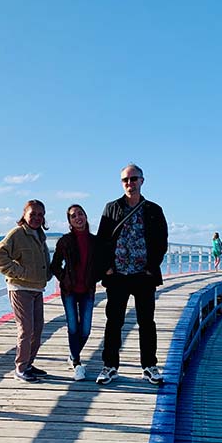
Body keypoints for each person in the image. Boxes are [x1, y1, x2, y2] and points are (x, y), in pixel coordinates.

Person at [94, 163, 168, 385]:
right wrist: (106, 267)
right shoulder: (111, 208)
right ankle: (110, 367)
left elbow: (161, 242)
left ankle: (149, 366)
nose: (129, 183)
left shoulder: (153, 209)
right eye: (125, 180)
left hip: (143, 276)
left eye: (133, 179)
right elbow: (102, 240)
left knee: (147, 322)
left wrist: (151, 267)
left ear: (142, 181)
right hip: (117, 275)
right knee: (113, 322)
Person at [0, 199, 52, 382]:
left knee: (38, 328)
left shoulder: (40, 235)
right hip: (20, 288)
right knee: (26, 329)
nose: (36, 217)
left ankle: (28, 364)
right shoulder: (17, 234)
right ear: (24, 215)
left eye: (40, 215)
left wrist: (49, 273)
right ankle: (20, 367)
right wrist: (20, 272)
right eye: (32, 214)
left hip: (37, 288)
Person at [50, 204, 97, 381]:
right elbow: (55, 265)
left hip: (88, 290)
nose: (78, 217)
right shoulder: (65, 241)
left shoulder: (94, 241)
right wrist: (64, 278)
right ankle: (77, 363)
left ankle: (72, 355)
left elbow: (99, 263)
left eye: (80, 214)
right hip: (69, 290)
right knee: (72, 327)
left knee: (85, 330)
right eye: (73, 216)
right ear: (69, 221)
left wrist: (97, 276)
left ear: (85, 216)